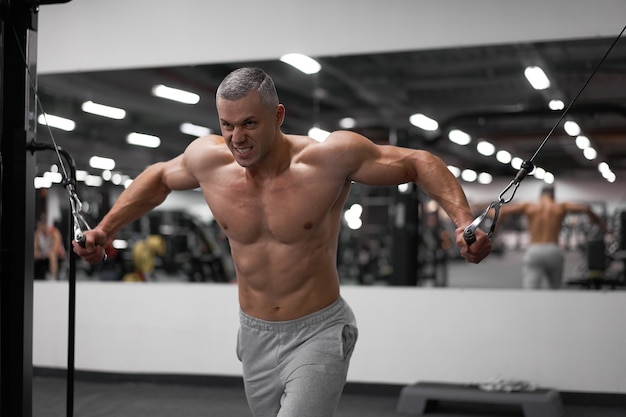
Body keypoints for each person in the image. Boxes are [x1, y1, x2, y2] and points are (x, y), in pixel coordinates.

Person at [73, 67, 491, 417]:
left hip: (318, 330)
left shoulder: (327, 160)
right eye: (227, 124)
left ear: (278, 115)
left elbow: (418, 162)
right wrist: (105, 230)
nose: (237, 137)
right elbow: (160, 178)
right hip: (253, 333)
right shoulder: (208, 162)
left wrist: (461, 222)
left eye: (249, 123)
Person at [497, 185, 605, 289]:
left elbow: (503, 211)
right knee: (554, 290)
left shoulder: (529, 206)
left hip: (534, 250)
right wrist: (601, 226)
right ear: (553, 195)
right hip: (553, 250)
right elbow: (586, 208)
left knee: (530, 290)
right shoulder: (560, 206)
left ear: (540, 195)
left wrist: (495, 232)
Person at [34, 213, 66, 280]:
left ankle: (53, 277)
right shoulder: (38, 234)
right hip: (44, 253)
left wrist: (47, 253)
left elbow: (55, 248)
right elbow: (35, 247)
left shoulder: (54, 232)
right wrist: (36, 252)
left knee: (52, 255)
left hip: (56, 253)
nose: (41, 227)